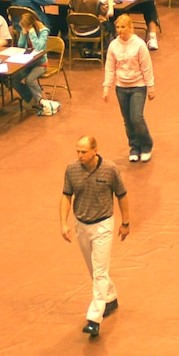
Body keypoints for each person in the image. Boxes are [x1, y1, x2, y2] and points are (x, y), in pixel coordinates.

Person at [61, 136, 130, 338]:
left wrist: (125, 223)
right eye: (77, 151)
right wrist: (64, 223)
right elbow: (66, 195)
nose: (79, 155)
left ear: (95, 151)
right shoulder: (71, 169)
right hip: (81, 224)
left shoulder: (110, 170)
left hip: (103, 225)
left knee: (99, 272)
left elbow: (122, 195)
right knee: (94, 270)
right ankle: (110, 297)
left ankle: (94, 319)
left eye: (83, 152)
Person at [103, 15, 155, 163]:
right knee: (127, 120)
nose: (120, 31)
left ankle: (146, 145)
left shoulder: (139, 45)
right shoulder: (113, 45)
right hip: (121, 87)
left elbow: (146, 67)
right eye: (118, 27)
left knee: (136, 118)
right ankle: (134, 147)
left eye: (123, 27)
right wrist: (106, 88)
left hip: (138, 86)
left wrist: (150, 86)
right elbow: (110, 68)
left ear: (130, 27)